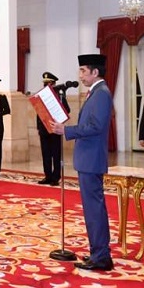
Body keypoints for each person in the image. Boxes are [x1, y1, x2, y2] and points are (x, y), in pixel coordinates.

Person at [52, 54, 114, 272]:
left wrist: (66, 130)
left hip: (91, 159)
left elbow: (96, 126)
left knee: (94, 209)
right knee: (92, 209)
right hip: (88, 159)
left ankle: (101, 256)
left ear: (95, 72)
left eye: (83, 71)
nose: (80, 75)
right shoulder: (96, 92)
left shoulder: (101, 94)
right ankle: (98, 252)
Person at [37, 72, 70, 185]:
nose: (46, 85)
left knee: (56, 153)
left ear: (53, 84)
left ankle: (55, 177)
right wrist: (39, 127)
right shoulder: (41, 95)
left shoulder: (59, 95)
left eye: (48, 83)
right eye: (45, 83)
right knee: (45, 154)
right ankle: (47, 176)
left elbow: (67, 109)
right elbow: (38, 112)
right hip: (44, 129)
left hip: (55, 129)